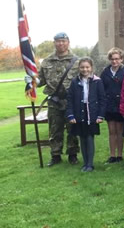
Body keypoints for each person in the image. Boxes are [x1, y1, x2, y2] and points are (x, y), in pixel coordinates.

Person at [36, 32, 80, 166]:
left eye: (63, 41)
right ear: (54, 43)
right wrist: (32, 81)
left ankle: (72, 155)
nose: (61, 44)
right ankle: (55, 155)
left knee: (72, 128)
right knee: (55, 129)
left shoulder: (77, 61)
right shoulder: (47, 61)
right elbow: (40, 81)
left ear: (68, 42)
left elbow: (84, 78)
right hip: (54, 101)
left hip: (71, 100)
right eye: (58, 41)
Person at [66, 57, 106, 172]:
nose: (85, 69)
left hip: (92, 113)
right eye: (82, 67)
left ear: (91, 68)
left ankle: (90, 164)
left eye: (87, 67)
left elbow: (102, 99)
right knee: (82, 138)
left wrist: (100, 115)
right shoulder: (75, 81)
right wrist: (71, 115)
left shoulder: (97, 81)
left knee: (89, 138)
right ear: (79, 68)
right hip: (79, 112)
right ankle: (84, 163)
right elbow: (70, 99)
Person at [100, 47, 124, 163]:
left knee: (120, 130)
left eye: (117, 59)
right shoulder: (105, 72)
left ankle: (120, 155)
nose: (115, 61)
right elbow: (101, 89)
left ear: (121, 59)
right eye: (112, 59)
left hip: (120, 105)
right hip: (109, 105)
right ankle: (112, 155)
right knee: (112, 131)